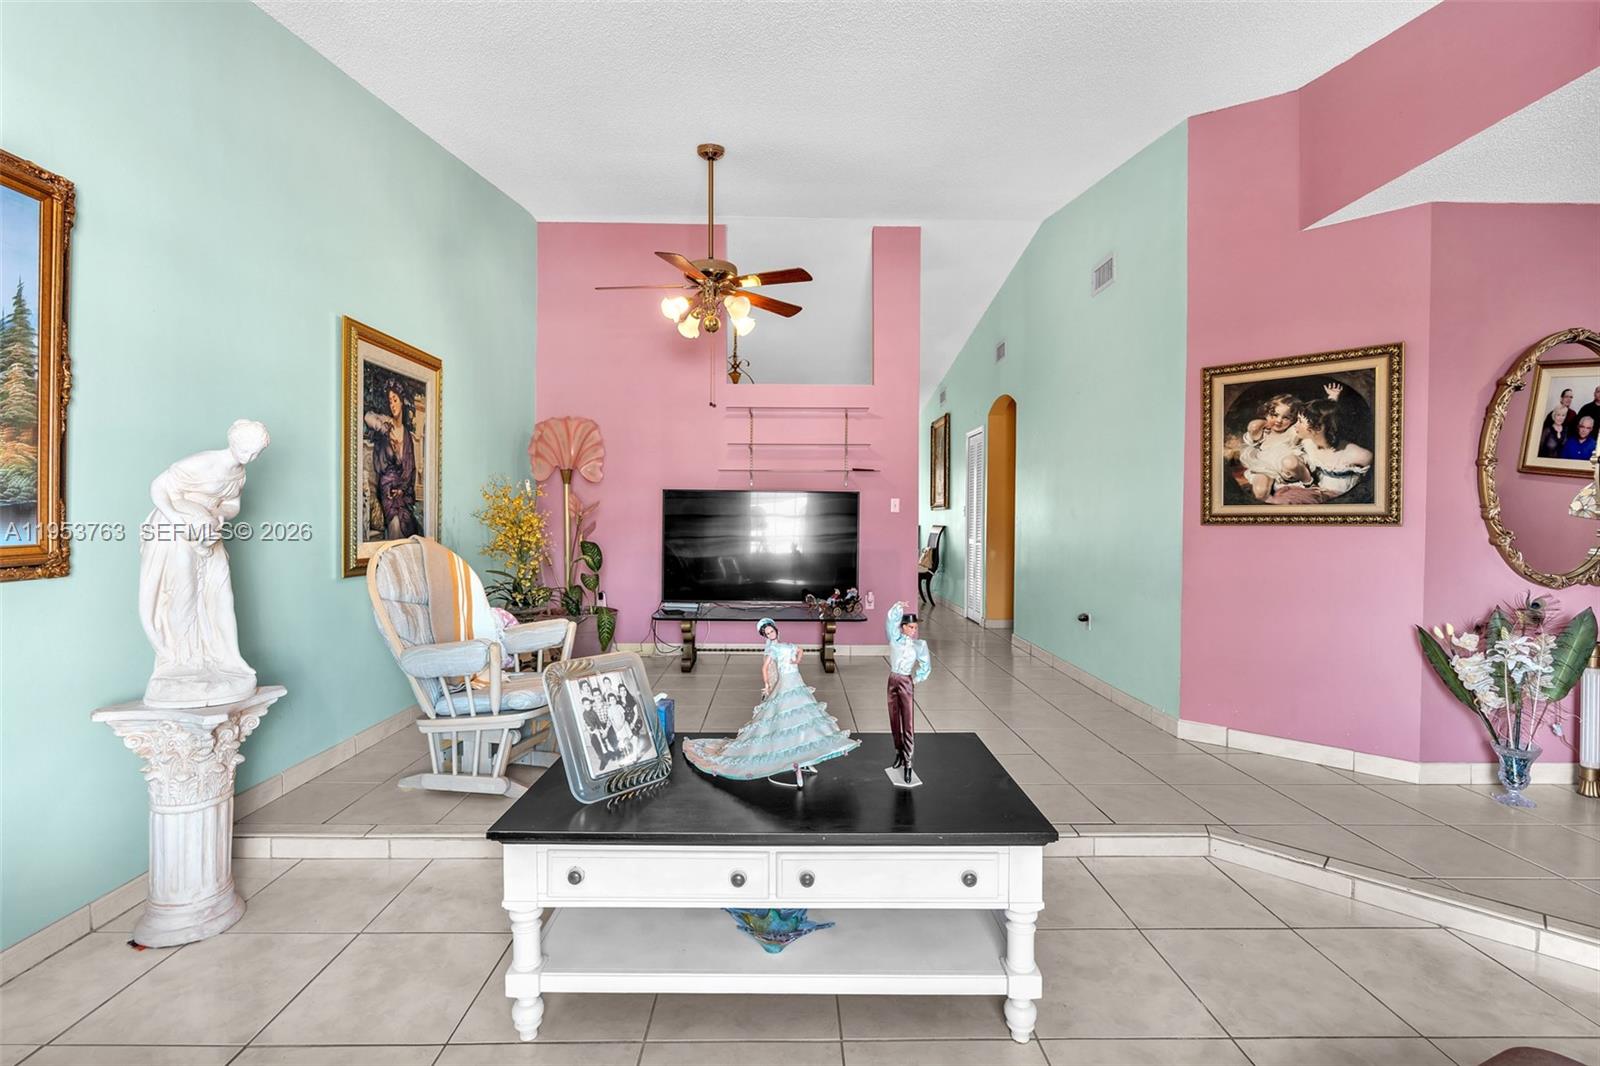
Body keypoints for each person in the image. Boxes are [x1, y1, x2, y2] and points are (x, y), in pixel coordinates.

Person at [683, 618, 859, 785]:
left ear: (776, 630)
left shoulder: (787, 645)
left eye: (771, 631)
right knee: (785, 714)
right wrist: (767, 685)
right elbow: (765, 667)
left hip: (796, 681)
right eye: (767, 633)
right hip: (786, 682)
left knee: (802, 713)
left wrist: (797, 660)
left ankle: (802, 755)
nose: (770, 634)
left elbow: (800, 650)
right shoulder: (772, 649)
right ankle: (792, 757)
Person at [1280, 390, 1373, 501]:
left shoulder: (1359, 455)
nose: (1295, 425)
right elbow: (1324, 418)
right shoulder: (1307, 443)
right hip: (1315, 490)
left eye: (1300, 421)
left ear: (1317, 428)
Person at [364, 385, 421, 540]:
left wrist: (402, 489)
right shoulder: (386, 423)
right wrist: (385, 431)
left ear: (402, 402)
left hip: (403, 491)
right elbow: (367, 416)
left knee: (411, 524)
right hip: (387, 488)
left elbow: (411, 469)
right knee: (396, 522)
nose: (393, 405)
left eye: (395, 400)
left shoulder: (407, 435)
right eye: (390, 401)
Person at [885, 600, 931, 786]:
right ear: (903, 627)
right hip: (892, 680)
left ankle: (908, 762)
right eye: (911, 627)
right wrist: (898, 607)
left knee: (908, 721)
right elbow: (890, 621)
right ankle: (898, 753)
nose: (914, 630)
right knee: (894, 718)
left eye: (915, 627)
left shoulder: (919, 645)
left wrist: (915, 680)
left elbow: (926, 666)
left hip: (905, 681)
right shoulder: (894, 638)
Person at [1237, 393, 1304, 500]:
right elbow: (1253, 426)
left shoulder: (1292, 432)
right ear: (1266, 413)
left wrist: (1331, 398)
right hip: (1264, 468)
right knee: (1260, 492)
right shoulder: (1263, 433)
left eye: (1286, 418)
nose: (1279, 420)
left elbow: (1314, 419)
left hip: (1285, 472)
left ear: (1294, 420)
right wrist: (1266, 422)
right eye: (1275, 415)